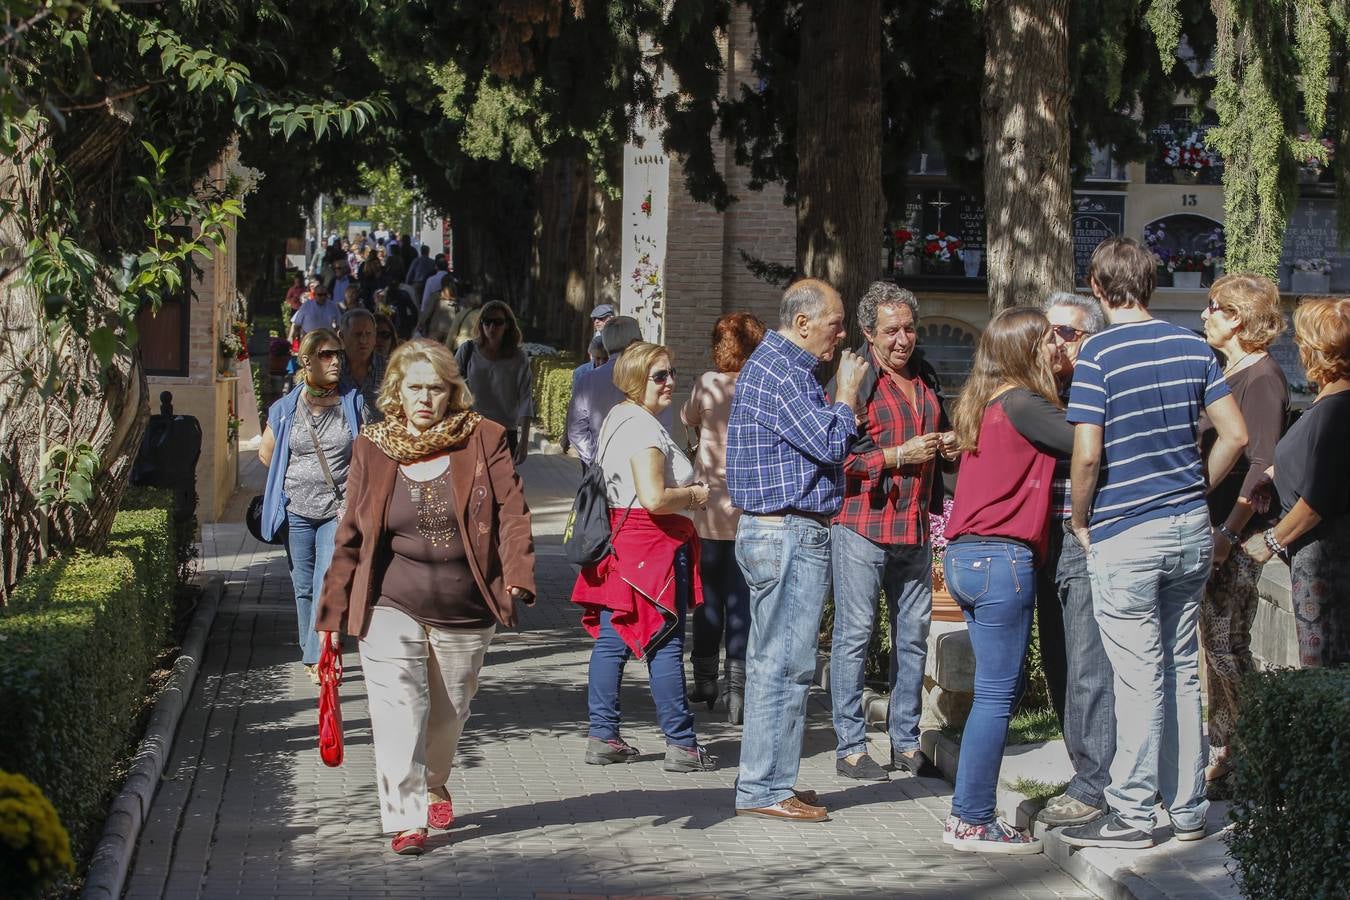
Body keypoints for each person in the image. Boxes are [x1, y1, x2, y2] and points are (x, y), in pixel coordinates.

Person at [1059, 237, 1247, 850]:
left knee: (1138, 678)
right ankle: (1188, 809)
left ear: (1095, 286)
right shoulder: (1192, 346)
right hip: (1189, 527)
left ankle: (1134, 814)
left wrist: (1078, 517)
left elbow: (1087, 452)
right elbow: (1235, 435)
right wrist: (1195, 485)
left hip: (1126, 530)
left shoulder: (1098, 356)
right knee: (1181, 669)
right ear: (1153, 283)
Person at [315, 339, 536, 856]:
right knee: (399, 708)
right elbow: (350, 532)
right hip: (392, 600)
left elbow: (512, 512)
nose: (424, 398)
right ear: (396, 391)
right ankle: (405, 816)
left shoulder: (484, 439)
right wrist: (331, 610)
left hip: (466, 604)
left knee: (448, 710)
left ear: (452, 392)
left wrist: (519, 573)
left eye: (436, 388)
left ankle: (435, 777)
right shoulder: (373, 446)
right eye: (415, 387)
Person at [727, 278, 866, 823]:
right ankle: (766, 788)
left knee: (775, 663)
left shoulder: (779, 367)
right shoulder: (786, 371)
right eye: (835, 324)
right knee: (785, 666)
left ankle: (766, 781)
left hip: (775, 532)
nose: (841, 336)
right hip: (787, 532)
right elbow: (832, 442)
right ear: (803, 322)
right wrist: (848, 393)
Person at [939, 307, 1071, 855]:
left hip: (967, 556)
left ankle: (968, 813)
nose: (1058, 347)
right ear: (1026, 350)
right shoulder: (1024, 402)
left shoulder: (986, 402)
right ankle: (971, 819)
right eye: (1049, 339)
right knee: (997, 697)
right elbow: (1088, 444)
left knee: (996, 692)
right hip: (1001, 558)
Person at [570, 342, 715, 773]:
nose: (670, 382)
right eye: (659, 376)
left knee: (613, 641)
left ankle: (603, 736)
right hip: (652, 547)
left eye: (672, 373)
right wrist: (695, 495)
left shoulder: (619, 417)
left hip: (622, 546)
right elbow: (653, 498)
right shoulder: (643, 429)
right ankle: (683, 746)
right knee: (664, 643)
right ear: (636, 379)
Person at [826, 283, 947, 782]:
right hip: (862, 524)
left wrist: (948, 444)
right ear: (868, 333)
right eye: (891, 330)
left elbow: (933, 434)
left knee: (913, 636)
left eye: (909, 328)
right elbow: (838, 455)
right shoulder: (855, 379)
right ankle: (851, 746)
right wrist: (899, 456)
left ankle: (904, 741)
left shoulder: (924, 374)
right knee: (855, 636)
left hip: (913, 524)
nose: (903, 339)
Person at [1195, 274, 1288, 798]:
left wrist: (1230, 531)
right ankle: (1230, 749)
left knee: (1230, 644)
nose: (1204, 315)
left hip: (1238, 531)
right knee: (1216, 644)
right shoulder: (1228, 370)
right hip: (1213, 527)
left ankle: (1253, 750)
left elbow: (1262, 464)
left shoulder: (1263, 377)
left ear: (1237, 318)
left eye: (1214, 307)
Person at [1034, 291, 1116, 830]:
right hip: (1044, 537)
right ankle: (1080, 769)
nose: (1054, 342)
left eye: (1066, 332)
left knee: (1089, 665)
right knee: (1060, 660)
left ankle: (1095, 784)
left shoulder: (1102, 384)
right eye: (1049, 331)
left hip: (1085, 536)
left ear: (1090, 338)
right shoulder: (1041, 390)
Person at [1242, 297, 1350, 668]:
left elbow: (1319, 497)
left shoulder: (1339, 410)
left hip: (1327, 563)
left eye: (1303, 340)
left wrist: (1269, 542)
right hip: (1317, 557)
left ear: (1320, 349)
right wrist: (1273, 476)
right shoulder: (1327, 402)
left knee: (1325, 670)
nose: (1299, 348)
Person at [258, 328, 365, 683]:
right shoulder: (286, 408)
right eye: (325, 355)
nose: (335, 361)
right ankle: (312, 651)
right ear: (306, 362)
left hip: (337, 509)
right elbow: (266, 453)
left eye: (338, 354)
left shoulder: (353, 402)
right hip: (296, 510)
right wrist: (290, 483)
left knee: (325, 580)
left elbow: (367, 452)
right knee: (302, 585)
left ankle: (322, 653)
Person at [680, 313, 765, 725]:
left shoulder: (707, 383)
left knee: (707, 597)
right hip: (750, 506)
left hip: (708, 506)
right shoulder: (761, 384)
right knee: (742, 601)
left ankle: (705, 680)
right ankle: (738, 693)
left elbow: (687, 420)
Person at [566, 316, 667, 466]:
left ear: (606, 343)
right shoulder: (654, 377)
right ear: (636, 340)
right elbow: (664, 426)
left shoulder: (588, 380)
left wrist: (596, 460)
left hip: (600, 466)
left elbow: (576, 430)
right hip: (645, 464)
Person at [454, 300, 533, 466]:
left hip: (504, 431)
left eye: (498, 322)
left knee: (501, 488)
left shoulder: (518, 358)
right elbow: (450, 385)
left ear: (507, 325)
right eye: (487, 322)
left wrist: (524, 441)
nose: (492, 327)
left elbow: (526, 399)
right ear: (481, 324)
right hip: (471, 429)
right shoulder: (467, 351)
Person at [339, 308, 389, 420]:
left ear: (375, 337)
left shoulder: (390, 369)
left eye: (368, 334)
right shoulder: (332, 369)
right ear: (342, 336)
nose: (363, 340)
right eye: (357, 334)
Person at [571, 304, 618, 387]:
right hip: (595, 366)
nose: (596, 321)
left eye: (601, 318)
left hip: (613, 367)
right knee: (579, 372)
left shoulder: (617, 333)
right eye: (594, 319)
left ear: (611, 319)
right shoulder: (597, 334)